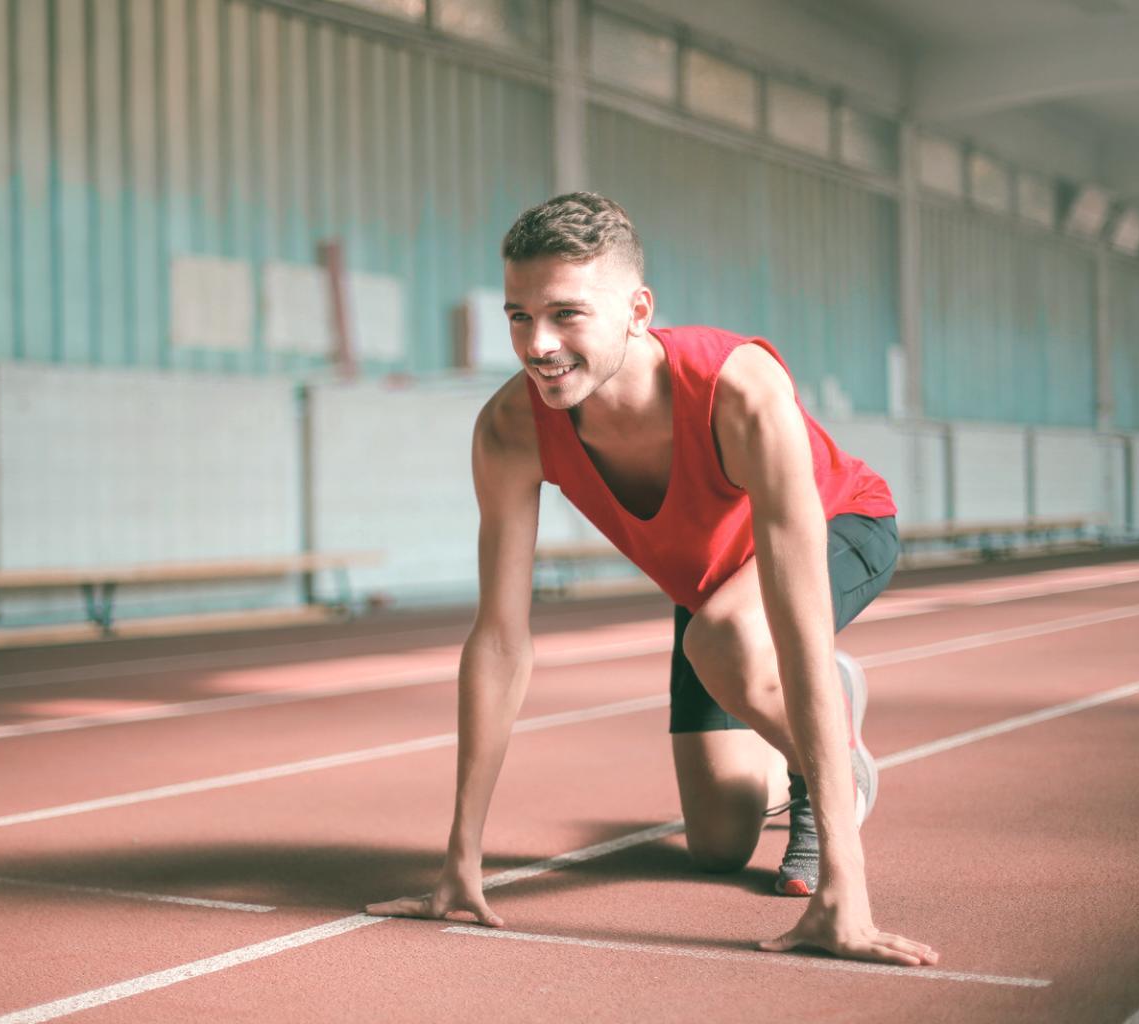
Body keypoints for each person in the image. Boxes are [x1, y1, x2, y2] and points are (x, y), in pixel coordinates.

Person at [366, 192, 937, 966]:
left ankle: (832, 752)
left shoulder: (740, 391)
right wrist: (459, 861)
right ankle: (805, 731)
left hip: (838, 530)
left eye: (566, 314)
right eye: (518, 316)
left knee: (734, 639)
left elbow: (795, 615)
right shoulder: (510, 428)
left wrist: (848, 887)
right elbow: (500, 641)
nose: (538, 344)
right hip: (710, 590)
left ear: (638, 309)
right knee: (715, 846)